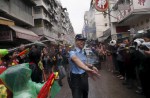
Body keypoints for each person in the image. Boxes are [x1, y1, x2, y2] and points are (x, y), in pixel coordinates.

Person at [68, 34, 100, 98]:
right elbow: (75, 59)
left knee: (85, 94)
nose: (83, 42)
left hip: (84, 76)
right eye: (80, 40)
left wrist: (91, 66)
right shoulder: (72, 51)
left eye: (84, 40)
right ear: (76, 41)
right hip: (75, 78)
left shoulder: (83, 52)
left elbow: (83, 62)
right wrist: (87, 69)